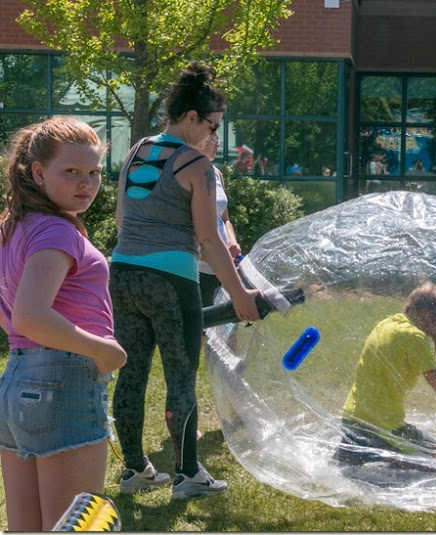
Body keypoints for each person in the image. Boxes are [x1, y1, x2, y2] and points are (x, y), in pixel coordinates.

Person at [110, 61, 261, 500]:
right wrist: (240, 295)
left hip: (123, 274)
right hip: (171, 279)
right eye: (212, 125)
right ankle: (188, 474)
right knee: (181, 377)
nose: (214, 135)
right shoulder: (195, 163)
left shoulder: (138, 150)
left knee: (132, 375)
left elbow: (121, 217)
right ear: (191, 117)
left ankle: (135, 470)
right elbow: (209, 239)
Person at [0, 117, 128, 531]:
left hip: (16, 381)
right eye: (71, 171)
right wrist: (103, 350)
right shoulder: (57, 231)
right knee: (74, 526)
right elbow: (30, 315)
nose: (86, 183)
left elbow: (12, 313)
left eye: (94, 172)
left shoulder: (13, 228)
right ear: (38, 172)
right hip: (63, 383)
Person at [333, 283, 436, 467]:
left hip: (352, 418)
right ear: (430, 317)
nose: (434, 334)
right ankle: (381, 457)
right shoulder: (415, 336)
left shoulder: (385, 324)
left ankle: (357, 453)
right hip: (381, 428)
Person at [196, 132, 242, 310]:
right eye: (214, 139)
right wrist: (219, 258)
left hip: (221, 270)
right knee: (202, 326)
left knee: (225, 325)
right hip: (197, 271)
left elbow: (224, 218)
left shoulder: (216, 173)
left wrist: (232, 243)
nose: (218, 144)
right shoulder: (185, 174)